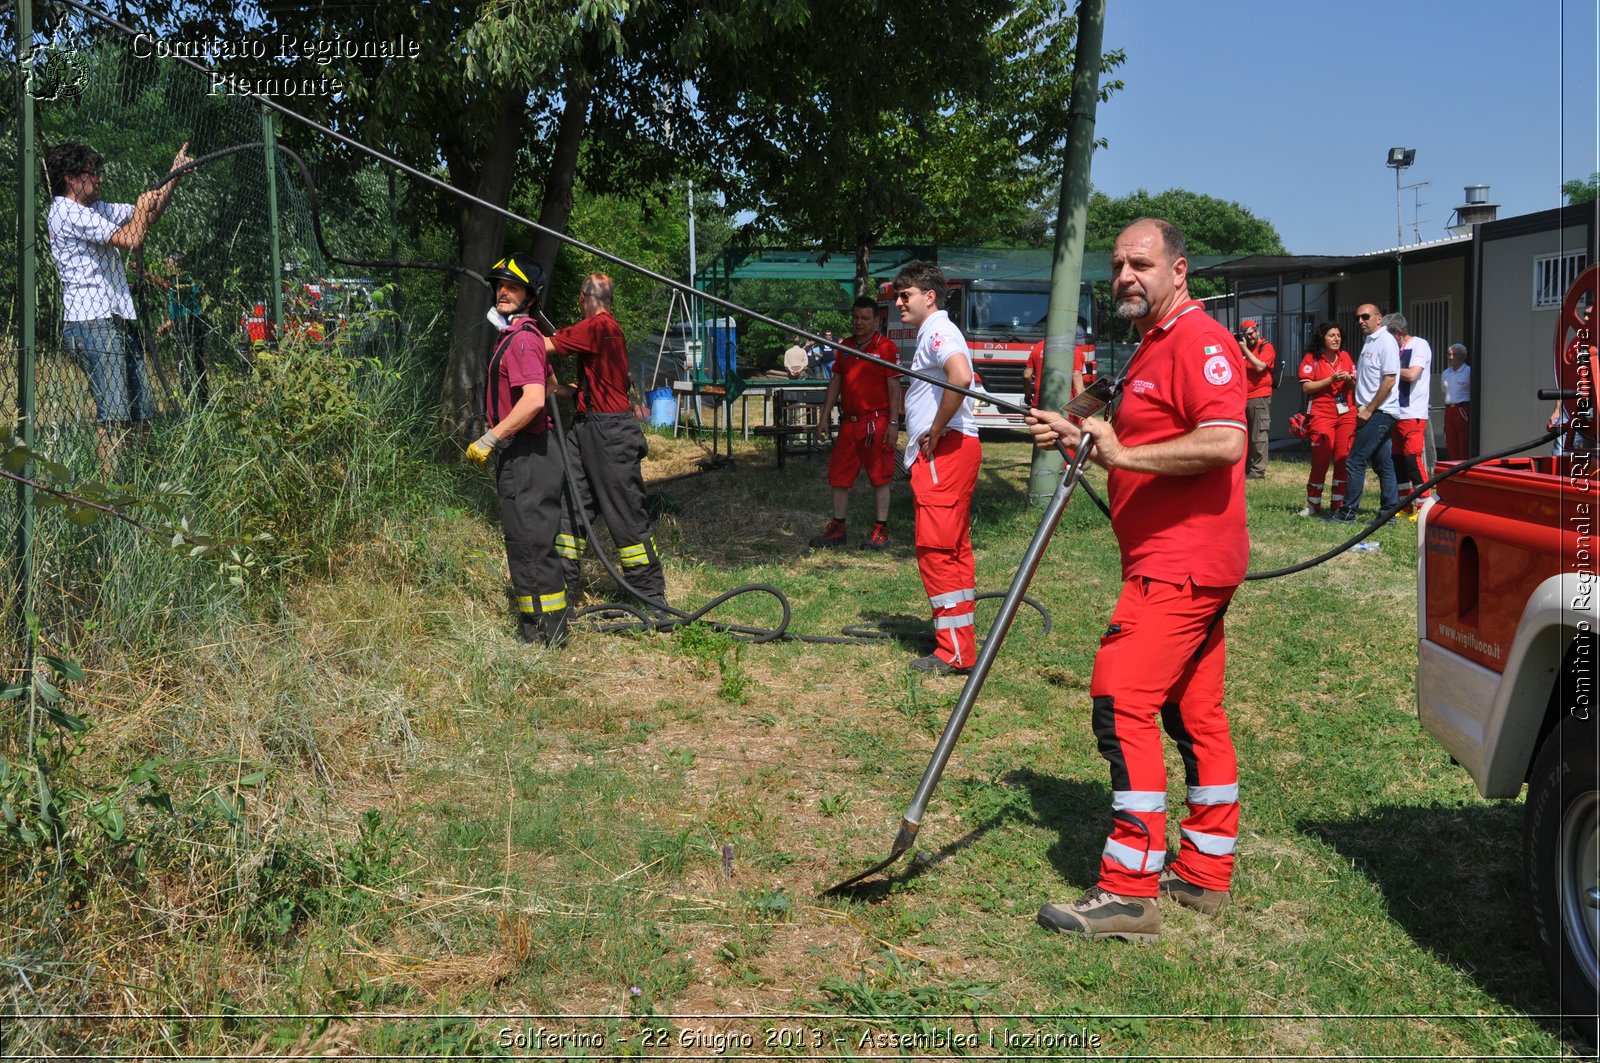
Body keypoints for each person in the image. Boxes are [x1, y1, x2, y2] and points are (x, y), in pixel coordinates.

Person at [1025, 218, 1247, 943]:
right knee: (1193, 711)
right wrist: (1080, 429)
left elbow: (1223, 440)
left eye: (1141, 263)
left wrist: (1117, 452)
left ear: (1178, 270)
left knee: (1122, 701)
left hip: (1180, 564)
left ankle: (1129, 891)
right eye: (1118, 263)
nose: (1125, 274)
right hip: (1176, 560)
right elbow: (1136, 429)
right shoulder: (1151, 345)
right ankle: (1206, 872)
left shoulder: (1200, 341)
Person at [46, 139, 192, 469]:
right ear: (71, 178)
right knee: (114, 414)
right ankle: (110, 500)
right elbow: (131, 238)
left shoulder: (93, 210)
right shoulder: (65, 211)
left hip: (115, 318)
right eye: (93, 173)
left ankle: (140, 485)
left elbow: (147, 216)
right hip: (92, 322)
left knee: (140, 410)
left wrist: (173, 176)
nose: (100, 179)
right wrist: (141, 208)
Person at [547, 273, 668, 607]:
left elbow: (544, 345)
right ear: (611, 301)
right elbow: (598, 387)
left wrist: (515, 328)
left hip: (609, 433)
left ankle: (650, 596)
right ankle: (562, 592)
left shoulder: (599, 327)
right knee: (570, 508)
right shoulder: (606, 331)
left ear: (581, 298)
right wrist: (559, 390)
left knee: (625, 513)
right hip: (586, 427)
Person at [466, 255, 569, 645]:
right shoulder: (516, 337)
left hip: (527, 454)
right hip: (526, 453)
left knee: (530, 544)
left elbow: (534, 401)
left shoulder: (523, 339)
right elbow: (552, 384)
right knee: (528, 541)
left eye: (512, 286)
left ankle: (546, 637)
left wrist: (490, 438)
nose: (502, 292)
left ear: (530, 296)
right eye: (499, 285)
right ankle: (541, 631)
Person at [894, 261, 981, 676]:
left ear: (930, 296)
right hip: (951, 452)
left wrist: (936, 428)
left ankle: (954, 652)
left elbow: (960, 377)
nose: (898, 303)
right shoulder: (935, 331)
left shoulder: (938, 330)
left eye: (904, 295)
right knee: (953, 549)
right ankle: (959, 642)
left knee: (937, 550)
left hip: (945, 454)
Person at [809, 297, 902, 551]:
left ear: (875, 320)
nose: (859, 322)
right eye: (856, 318)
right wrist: (825, 416)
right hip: (849, 423)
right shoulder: (846, 347)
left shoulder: (886, 348)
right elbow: (836, 381)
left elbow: (894, 388)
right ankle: (838, 528)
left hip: (876, 422)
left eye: (864, 318)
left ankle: (881, 530)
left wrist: (893, 423)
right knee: (839, 475)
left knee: (880, 477)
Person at [1329, 303, 1401, 523]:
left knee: (1354, 461)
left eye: (1365, 316)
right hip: (1371, 409)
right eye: (1357, 317)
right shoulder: (1370, 342)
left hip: (1379, 412)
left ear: (1379, 318)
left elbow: (1389, 380)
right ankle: (1389, 514)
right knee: (1383, 464)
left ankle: (1347, 513)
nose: (1360, 321)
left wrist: (1369, 410)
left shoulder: (1386, 341)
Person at [1296, 322, 1357, 516]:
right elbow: (1306, 388)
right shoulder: (1311, 359)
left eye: (1338, 335)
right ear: (1322, 338)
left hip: (1347, 414)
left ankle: (1338, 505)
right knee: (1321, 458)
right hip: (1321, 414)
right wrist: (1330, 380)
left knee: (1342, 459)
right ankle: (1313, 504)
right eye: (1331, 335)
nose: (1336, 339)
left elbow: (1357, 388)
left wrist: (1350, 380)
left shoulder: (1346, 357)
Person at [1386, 314, 1433, 513]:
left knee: (1411, 457)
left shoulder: (1420, 345)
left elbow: (1413, 374)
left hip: (1412, 411)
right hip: (1395, 411)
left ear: (1398, 333)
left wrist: (1389, 368)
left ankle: (1424, 504)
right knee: (1397, 457)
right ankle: (1404, 505)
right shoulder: (1394, 349)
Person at [1237, 319, 1276, 479]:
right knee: (1244, 437)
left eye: (1251, 333)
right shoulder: (1241, 349)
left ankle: (1257, 471)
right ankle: (1244, 470)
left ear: (1257, 331)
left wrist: (1244, 349)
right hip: (1242, 397)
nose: (1250, 337)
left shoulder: (1266, 347)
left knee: (1258, 436)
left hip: (1259, 397)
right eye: (1246, 335)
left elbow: (1260, 367)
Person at [1441, 343, 1471, 460]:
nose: (1451, 357)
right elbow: (1444, 390)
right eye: (1449, 354)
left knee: (1463, 441)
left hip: (1462, 409)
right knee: (1450, 441)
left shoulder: (1468, 371)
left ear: (1463, 356)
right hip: (1449, 409)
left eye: (1455, 354)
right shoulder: (1445, 373)